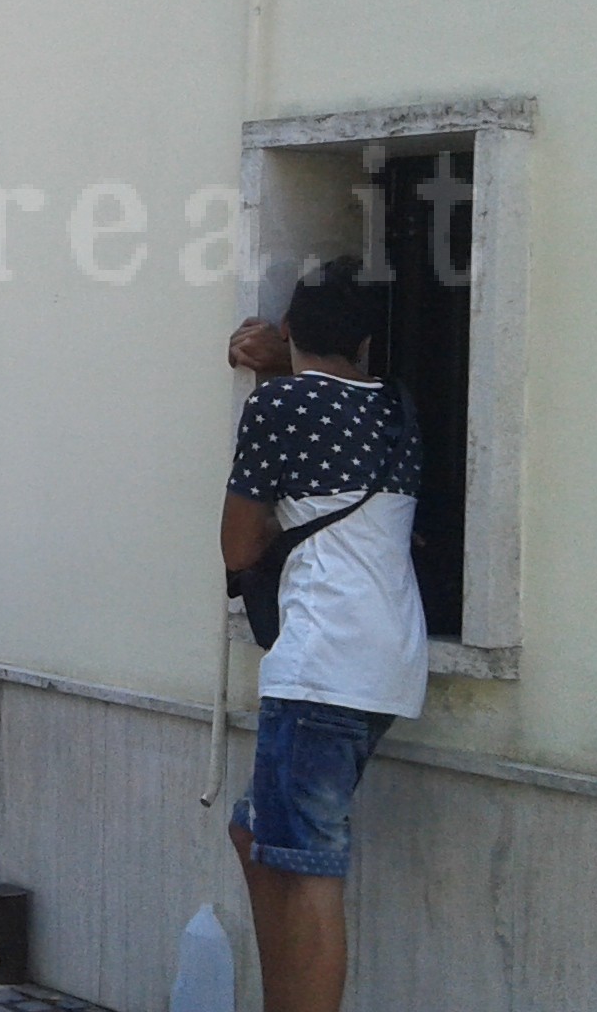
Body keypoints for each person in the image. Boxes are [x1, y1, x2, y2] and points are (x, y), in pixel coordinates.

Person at [220, 258, 425, 1012]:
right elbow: (333, 391)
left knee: (307, 869)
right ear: (368, 345)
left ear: (288, 330)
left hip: (320, 661)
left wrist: (274, 365)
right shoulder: (398, 406)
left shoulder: (278, 408)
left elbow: (238, 547)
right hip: (386, 660)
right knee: (254, 837)